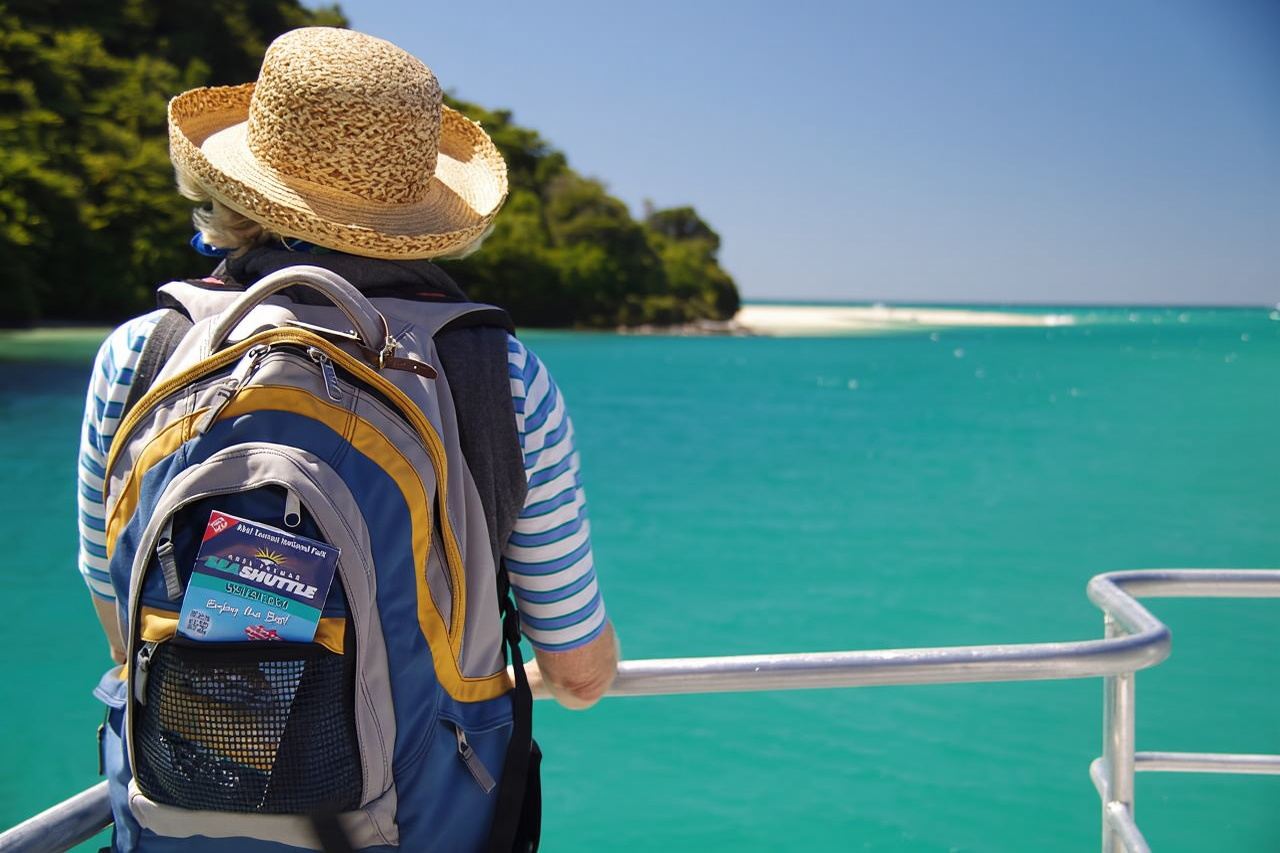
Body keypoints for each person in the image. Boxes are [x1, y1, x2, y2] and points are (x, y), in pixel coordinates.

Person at [76, 26, 618, 716]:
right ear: (423, 210)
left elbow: (119, 615)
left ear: (232, 185)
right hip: (424, 819)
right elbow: (577, 670)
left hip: (177, 797)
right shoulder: (500, 377)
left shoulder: (142, 351)